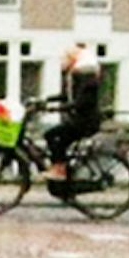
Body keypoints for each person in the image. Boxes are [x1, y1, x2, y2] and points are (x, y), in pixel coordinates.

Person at [45, 45, 104, 185]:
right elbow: (68, 96)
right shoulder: (78, 76)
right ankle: (61, 168)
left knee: (54, 136)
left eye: (66, 58)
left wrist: (59, 108)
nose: (62, 61)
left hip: (85, 122)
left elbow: (81, 102)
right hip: (79, 120)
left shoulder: (86, 78)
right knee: (53, 135)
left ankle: (60, 170)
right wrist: (46, 101)